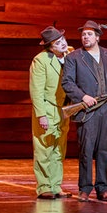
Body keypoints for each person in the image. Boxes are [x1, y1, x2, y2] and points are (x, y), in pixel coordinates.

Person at [61, 20, 107, 202]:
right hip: (87, 110)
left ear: (97, 37)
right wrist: (82, 97)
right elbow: (67, 82)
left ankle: (103, 189)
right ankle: (84, 189)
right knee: (86, 151)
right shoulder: (73, 57)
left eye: (89, 34)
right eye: (83, 34)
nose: (85, 37)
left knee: (105, 151)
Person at [29, 25, 74, 199]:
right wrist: (41, 115)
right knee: (44, 148)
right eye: (57, 43)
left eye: (62, 39)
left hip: (64, 110)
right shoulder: (40, 60)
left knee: (59, 149)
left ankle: (56, 186)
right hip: (47, 109)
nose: (62, 44)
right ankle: (44, 187)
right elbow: (36, 90)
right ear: (49, 47)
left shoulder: (70, 54)